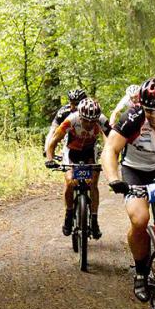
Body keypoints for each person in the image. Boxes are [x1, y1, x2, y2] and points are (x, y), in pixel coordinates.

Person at [101, 77, 155, 301]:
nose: (154, 116)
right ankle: (141, 274)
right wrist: (114, 179)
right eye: (149, 110)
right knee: (139, 219)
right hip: (135, 171)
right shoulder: (133, 118)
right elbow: (110, 150)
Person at [45, 97, 108, 239]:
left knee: (93, 184)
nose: (89, 124)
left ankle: (94, 219)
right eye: (86, 120)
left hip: (90, 151)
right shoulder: (70, 120)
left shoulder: (102, 120)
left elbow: (111, 140)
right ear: (80, 116)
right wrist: (50, 159)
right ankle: (68, 215)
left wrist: (109, 158)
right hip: (71, 151)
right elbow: (53, 141)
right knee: (69, 182)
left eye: (93, 121)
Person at [44, 88, 87, 156]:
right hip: (70, 143)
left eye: (76, 104)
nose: (72, 107)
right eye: (71, 103)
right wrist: (47, 148)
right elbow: (52, 130)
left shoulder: (91, 110)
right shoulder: (64, 112)